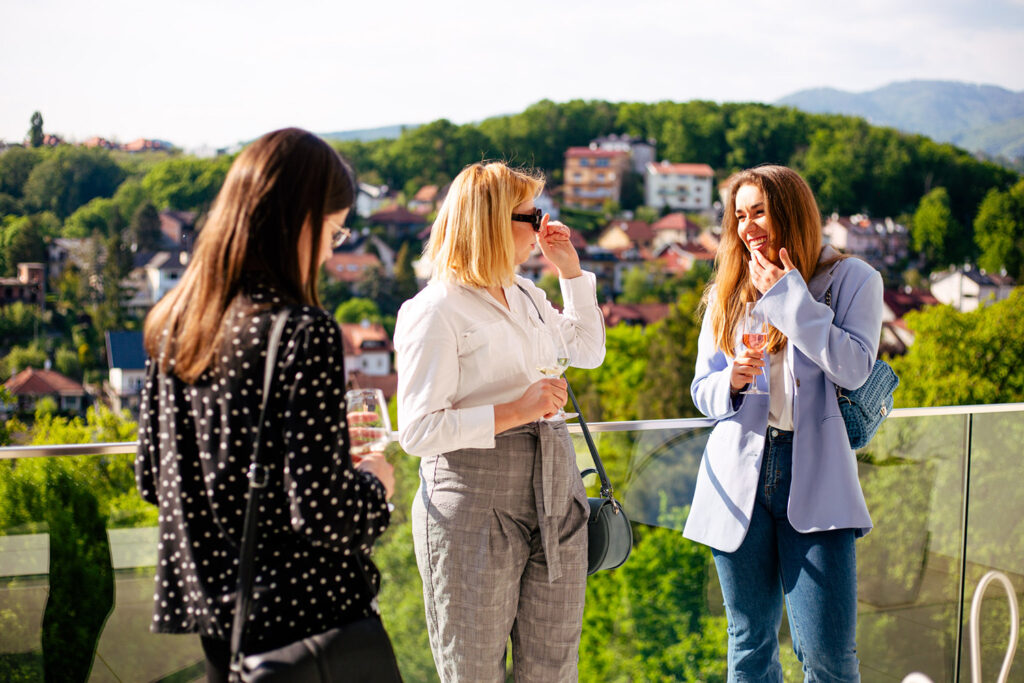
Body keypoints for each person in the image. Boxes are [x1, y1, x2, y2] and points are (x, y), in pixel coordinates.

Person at [135, 128, 397, 682]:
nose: (332, 250)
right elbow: (322, 511)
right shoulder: (302, 331)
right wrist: (375, 485)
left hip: (221, 628)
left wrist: (314, 446)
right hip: (308, 629)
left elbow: (156, 479)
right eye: (334, 231)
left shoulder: (173, 324)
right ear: (302, 222)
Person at [394, 162, 606, 682]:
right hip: (472, 499)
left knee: (553, 670)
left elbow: (588, 350)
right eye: (532, 216)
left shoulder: (528, 294)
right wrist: (519, 409)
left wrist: (571, 273)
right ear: (491, 221)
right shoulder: (435, 310)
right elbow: (419, 431)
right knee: (473, 670)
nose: (544, 225)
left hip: (555, 490)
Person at [683, 165, 882, 681]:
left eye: (760, 213)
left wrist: (790, 297)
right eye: (740, 216)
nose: (748, 227)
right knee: (749, 645)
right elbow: (703, 392)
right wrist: (731, 382)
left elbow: (855, 367)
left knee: (827, 656)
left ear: (790, 212)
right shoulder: (728, 286)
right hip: (738, 475)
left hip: (816, 474)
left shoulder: (854, 280)